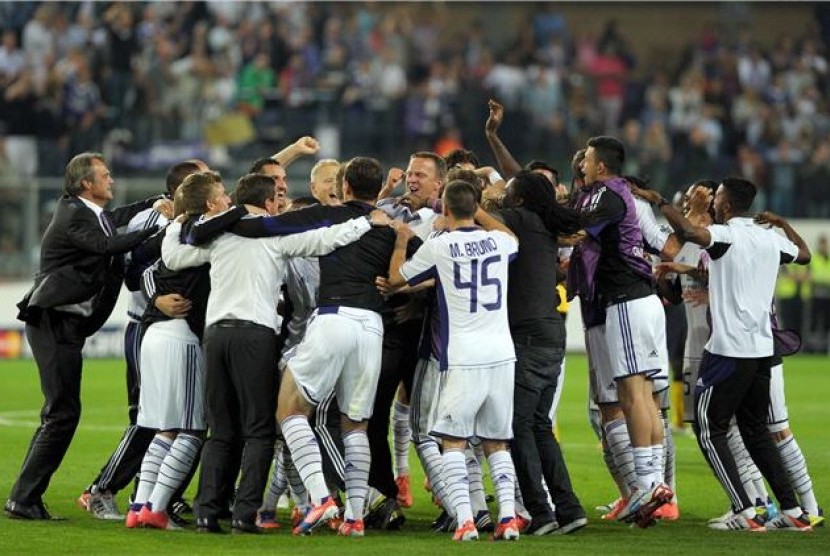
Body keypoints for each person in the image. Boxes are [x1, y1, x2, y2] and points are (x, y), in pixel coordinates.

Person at [162, 171, 388, 534]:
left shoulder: (218, 234)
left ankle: (206, 512)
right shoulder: (275, 236)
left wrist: (176, 222)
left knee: (220, 429)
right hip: (255, 336)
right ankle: (245, 514)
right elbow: (325, 240)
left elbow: (173, 258)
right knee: (258, 430)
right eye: (277, 200)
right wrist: (366, 221)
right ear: (269, 202)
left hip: (216, 334)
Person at [633, 177, 814, 531]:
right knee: (755, 431)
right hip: (763, 352)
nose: (712, 201)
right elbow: (804, 256)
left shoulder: (728, 235)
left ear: (727, 205)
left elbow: (688, 230)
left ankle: (745, 512)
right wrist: (784, 225)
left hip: (729, 351)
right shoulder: (769, 237)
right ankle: (792, 509)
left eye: (716, 197)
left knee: (707, 427)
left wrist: (658, 200)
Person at [6, 152, 166, 520]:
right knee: (61, 414)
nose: (111, 180)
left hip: (65, 323)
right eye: (105, 175)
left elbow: (113, 222)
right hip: (52, 321)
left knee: (61, 413)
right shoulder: (72, 214)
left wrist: (153, 204)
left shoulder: (91, 214)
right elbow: (106, 245)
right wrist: (159, 227)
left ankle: (25, 496)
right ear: (86, 184)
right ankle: (23, 498)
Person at [387, 179, 521, 542]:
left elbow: (396, 280)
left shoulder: (440, 246)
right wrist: (478, 212)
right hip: (502, 354)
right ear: (474, 206)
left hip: (463, 357)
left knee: (452, 441)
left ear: (444, 209)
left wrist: (400, 241)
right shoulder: (499, 241)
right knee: (497, 442)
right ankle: (508, 519)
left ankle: (464, 521)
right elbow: (512, 237)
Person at [77, 159, 206, 522]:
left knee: (172, 418)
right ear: (183, 189)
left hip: (169, 326)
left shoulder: (186, 219)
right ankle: (101, 489)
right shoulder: (154, 219)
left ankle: (153, 497)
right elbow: (134, 271)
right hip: (146, 325)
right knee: (148, 418)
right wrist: (155, 300)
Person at [571, 136, 672, 526]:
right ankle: (653, 485)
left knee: (631, 396)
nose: (582, 165)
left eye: (588, 159)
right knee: (644, 396)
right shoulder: (617, 194)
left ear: (600, 166)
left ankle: (647, 485)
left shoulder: (607, 195)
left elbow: (576, 230)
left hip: (626, 301)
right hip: (641, 300)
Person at [127, 171, 229, 531]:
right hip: (179, 336)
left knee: (165, 429)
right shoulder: (207, 235)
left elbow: (147, 271)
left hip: (154, 334)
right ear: (210, 203)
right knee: (191, 429)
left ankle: (139, 506)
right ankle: (157, 508)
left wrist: (154, 298)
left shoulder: (177, 230)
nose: (229, 199)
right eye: (223, 194)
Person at [497, 171, 587, 536]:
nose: (502, 194)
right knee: (539, 425)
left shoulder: (519, 219)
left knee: (517, 425)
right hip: (552, 333)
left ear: (518, 199)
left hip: (529, 336)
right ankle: (569, 508)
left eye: (508, 190)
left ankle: (542, 512)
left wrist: (483, 195)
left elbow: (472, 210)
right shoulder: (544, 223)